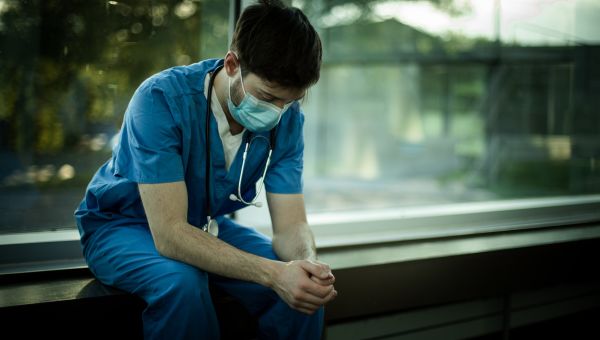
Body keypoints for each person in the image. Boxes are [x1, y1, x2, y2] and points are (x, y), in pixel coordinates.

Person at [74, 0, 336, 338]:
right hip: (123, 224)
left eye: (290, 101)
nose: (278, 112)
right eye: (268, 97)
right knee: (181, 284)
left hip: (204, 224)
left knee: (300, 293)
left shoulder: (287, 119)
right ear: (231, 65)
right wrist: (273, 274)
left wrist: (306, 265)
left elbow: (291, 225)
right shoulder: (160, 100)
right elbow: (170, 234)